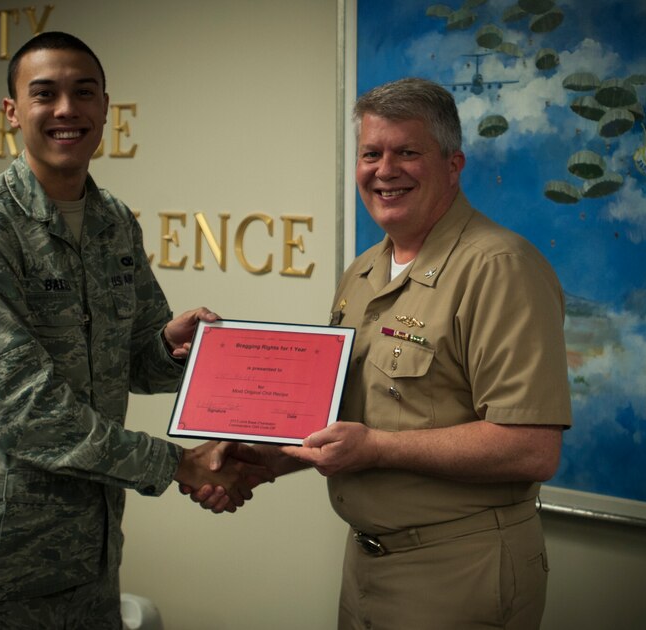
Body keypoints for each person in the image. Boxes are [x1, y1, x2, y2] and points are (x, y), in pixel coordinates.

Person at [0, 31, 269, 629]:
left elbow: (131, 361)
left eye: (83, 93)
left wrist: (170, 346)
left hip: (92, 558)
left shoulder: (113, 222)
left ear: (106, 106)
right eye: (44, 94)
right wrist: (179, 464)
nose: (65, 110)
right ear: (12, 112)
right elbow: (27, 411)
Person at [190, 77, 572, 629]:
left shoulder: (498, 268)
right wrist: (269, 461)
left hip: (459, 572)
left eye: (407, 152)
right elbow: (356, 419)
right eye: (371, 153)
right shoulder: (364, 271)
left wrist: (375, 448)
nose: (384, 170)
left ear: (453, 164)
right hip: (366, 564)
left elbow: (531, 449)